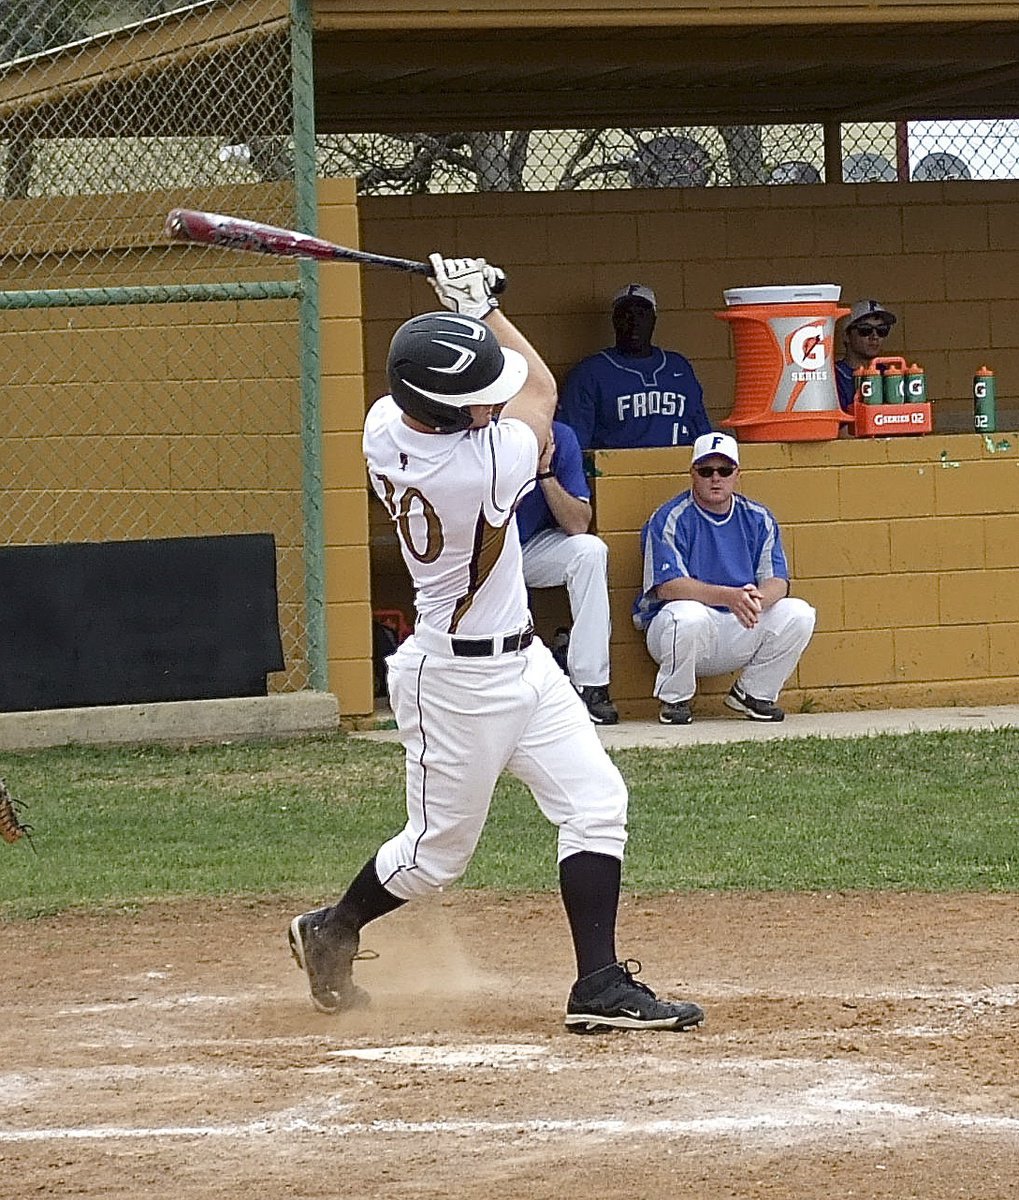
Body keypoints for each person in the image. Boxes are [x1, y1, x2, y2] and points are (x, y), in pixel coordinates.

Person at [288, 254, 703, 1034]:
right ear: (446, 416)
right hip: (454, 682)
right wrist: (481, 308)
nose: (491, 409)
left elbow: (498, 393)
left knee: (596, 803)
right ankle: (334, 926)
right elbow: (541, 391)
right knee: (433, 859)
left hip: (524, 663)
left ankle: (599, 986)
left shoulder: (385, 423)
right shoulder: (477, 468)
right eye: (476, 403)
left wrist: (466, 324)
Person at [633, 432, 816, 726]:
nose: (715, 478)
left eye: (725, 470)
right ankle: (675, 699)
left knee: (799, 613)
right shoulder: (670, 517)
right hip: (681, 629)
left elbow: (777, 581)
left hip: (738, 622)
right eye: (706, 471)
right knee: (687, 616)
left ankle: (753, 694)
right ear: (692, 473)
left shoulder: (758, 517)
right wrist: (730, 596)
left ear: (737, 474)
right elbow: (668, 586)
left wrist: (755, 599)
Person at [515, 417, 618, 725]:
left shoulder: (560, 436)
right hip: (477, 553)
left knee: (589, 551)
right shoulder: (481, 434)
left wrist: (544, 473)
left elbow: (577, 524)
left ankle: (591, 684)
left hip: (527, 547)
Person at [557, 284, 713, 450]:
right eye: (626, 315)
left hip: (678, 468)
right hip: (615, 472)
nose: (634, 322)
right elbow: (573, 444)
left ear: (653, 319)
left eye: (642, 314)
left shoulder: (679, 366)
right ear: (615, 321)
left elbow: (702, 434)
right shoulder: (589, 373)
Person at [834, 299, 898, 413]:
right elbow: (834, 429)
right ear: (846, 336)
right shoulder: (834, 377)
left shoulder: (890, 376)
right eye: (865, 330)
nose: (874, 336)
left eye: (882, 330)